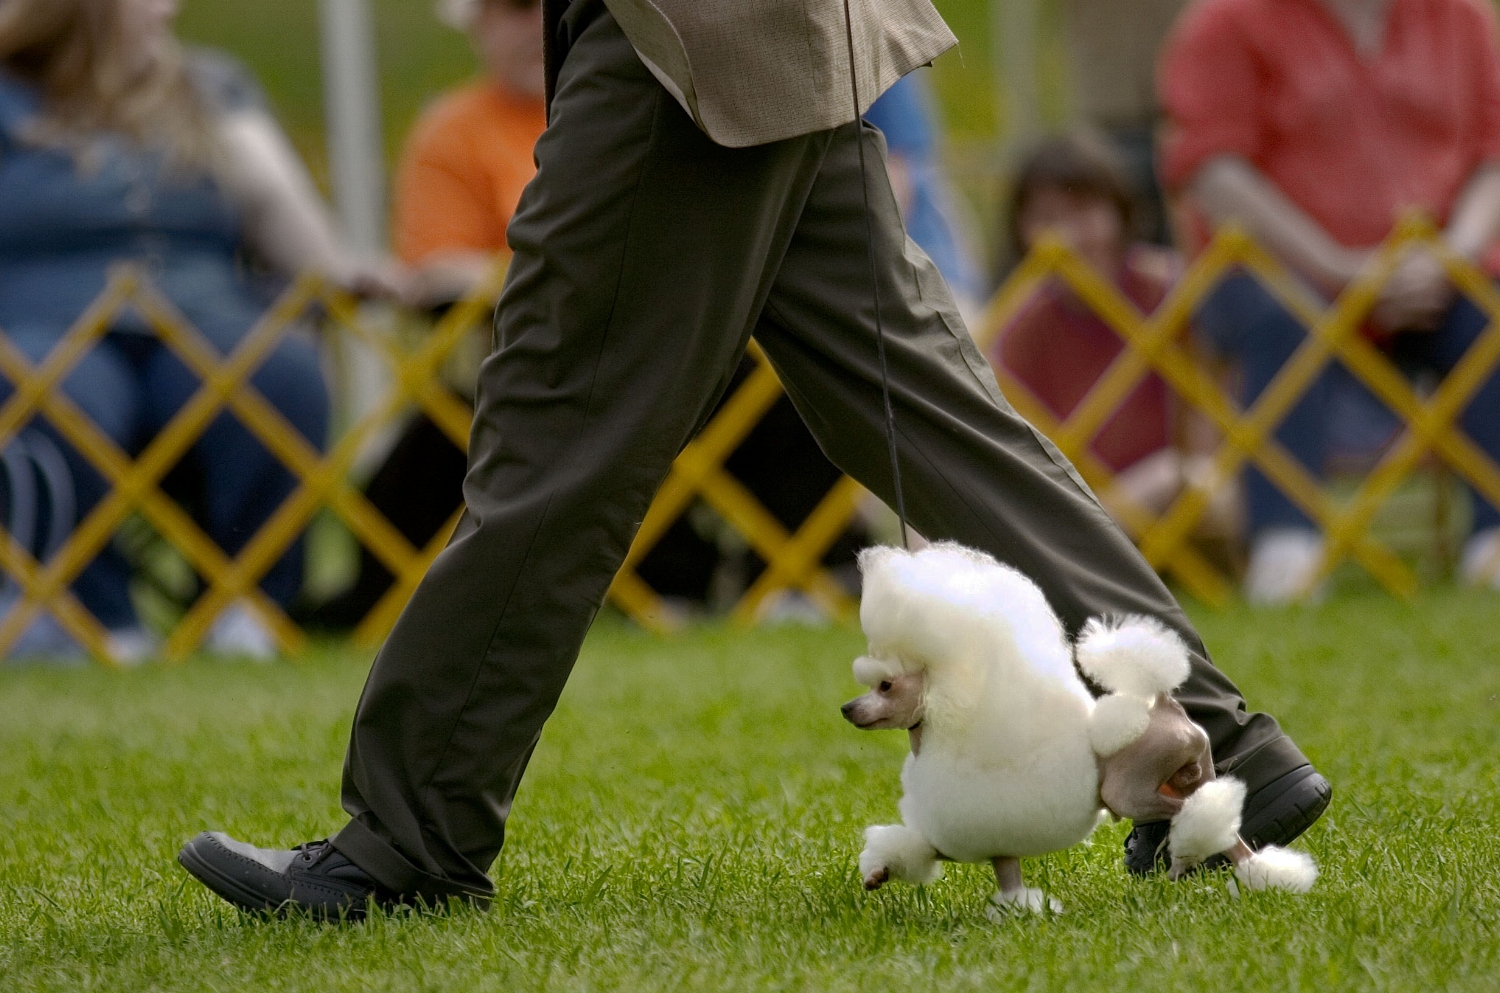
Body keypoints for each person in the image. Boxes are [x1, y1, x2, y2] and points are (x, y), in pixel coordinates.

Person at [177, 0, 1330, 917]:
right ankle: (1208, 757)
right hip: (784, 36)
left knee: (553, 436)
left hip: (688, 47)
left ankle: (408, 837)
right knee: (938, 421)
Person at [0, 0, 380, 661]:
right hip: (44, 318)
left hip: (203, 314)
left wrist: (338, 269)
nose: (170, 9)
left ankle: (247, 609)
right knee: (51, 389)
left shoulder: (210, 86)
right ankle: (95, 618)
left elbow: (277, 203)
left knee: (280, 372)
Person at [1159, 0, 1500, 603]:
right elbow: (1212, 170)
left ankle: (1493, 542)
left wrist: (1455, 255)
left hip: (1435, 271)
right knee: (1280, 316)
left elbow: (1492, 151)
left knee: (1489, 315)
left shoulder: (1461, 17)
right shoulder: (1226, 21)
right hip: (1272, 272)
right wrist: (1337, 267)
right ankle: (1285, 550)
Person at [307, 0, 548, 631]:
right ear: (478, 25)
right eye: (517, 8)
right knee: (440, 447)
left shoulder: (632, 119)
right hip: (508, 365)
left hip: (649, 351)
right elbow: (434, 273)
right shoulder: (453, 129)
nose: (539, 26)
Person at [991, 132, 1238, 542]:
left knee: (1177, 479)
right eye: (1049, 218)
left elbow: (1212, 450)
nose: (1069, 238)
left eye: (1085, 212)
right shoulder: (1018, 326)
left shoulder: (1174, 295)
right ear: (1021, 232)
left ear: (1121, 213)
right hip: (1080, 510)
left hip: (1188, 505)